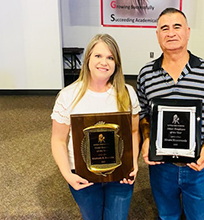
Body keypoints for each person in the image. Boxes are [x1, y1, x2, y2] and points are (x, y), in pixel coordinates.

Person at [137, 8, 204, 220]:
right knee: (167, 215)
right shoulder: (146, 74)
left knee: (198, 217)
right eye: (164, 28)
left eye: (177, 27)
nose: (170, 33)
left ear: (188, 32)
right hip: (162, 167)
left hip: (199, 165)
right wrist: (146, 139)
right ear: (157, 34)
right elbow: (143, 115)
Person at [51, 34, 141, 220]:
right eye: (98, 56)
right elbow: (58, 140)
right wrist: (67, 174)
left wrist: (132, 164)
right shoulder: (68, 95)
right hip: (83, 175)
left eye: (110, 57)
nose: (104, 62)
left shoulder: (126, 93)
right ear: (88, 59)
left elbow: (133, 131)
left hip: (119, 175)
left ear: (117, 63)